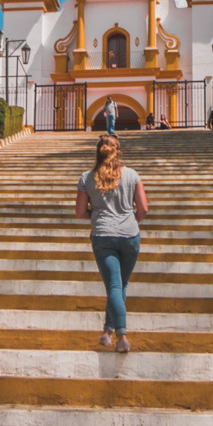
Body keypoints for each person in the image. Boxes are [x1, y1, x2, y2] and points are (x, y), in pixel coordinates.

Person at [75, 133, 148, 353]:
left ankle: (121, 335)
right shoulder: (133, 175)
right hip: (130, 236)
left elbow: (80, 212)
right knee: (120, 285)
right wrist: (130, 222)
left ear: (98, 151)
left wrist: (98, 217)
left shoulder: (87, 178)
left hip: (103, 236)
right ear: (118, 151)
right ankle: (107, 332)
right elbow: (143, 209)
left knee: (115, 286)